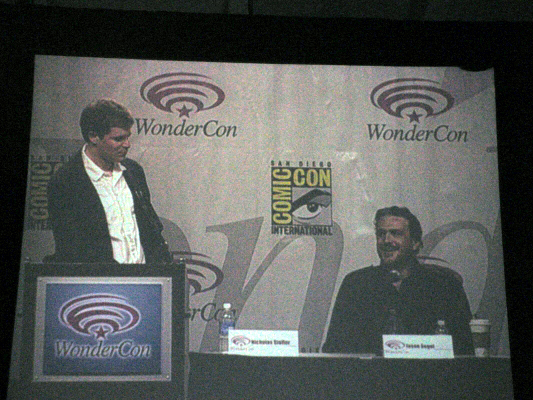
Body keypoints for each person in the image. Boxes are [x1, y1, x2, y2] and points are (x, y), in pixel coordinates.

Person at [322, 206, 474, 355]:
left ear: (415, 242)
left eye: (395, 234)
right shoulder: (356, 285)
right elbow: (334, 349)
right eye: (381, 234)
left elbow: (465, 349)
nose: (386, 240)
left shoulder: (444, 286)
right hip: (370, 372)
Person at [46, 99, 172, 264]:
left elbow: (151, 231)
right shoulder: (66, 181)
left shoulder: (133, 172)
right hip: (98, 278)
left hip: (145, 276)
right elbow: (71, 247)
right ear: (93, 136)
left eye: (128, 137)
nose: (127, 145)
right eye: (118, 139)